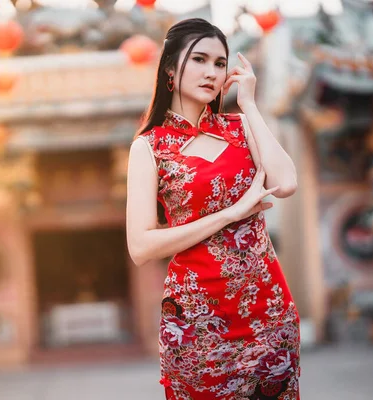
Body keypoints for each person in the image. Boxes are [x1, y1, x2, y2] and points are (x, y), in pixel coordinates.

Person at [126, 18, 300, 400]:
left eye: (220, 64)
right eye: (200, 60)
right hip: (197, 320)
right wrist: (230, 215)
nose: (211, 72)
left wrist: (250, 104)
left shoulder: (240, 128)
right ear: (171, 69)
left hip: (267, 311)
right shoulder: (150, 148)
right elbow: (140, 247)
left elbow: (285, 182)